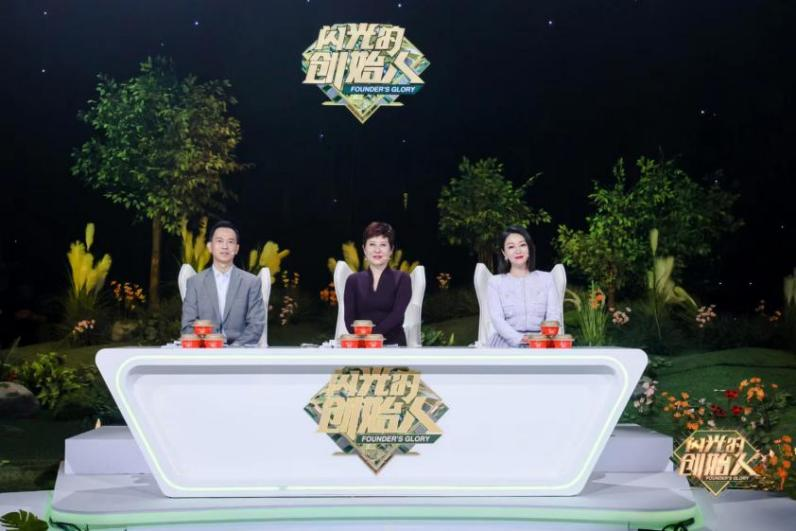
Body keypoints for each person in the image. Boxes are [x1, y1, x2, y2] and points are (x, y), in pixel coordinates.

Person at [181, 220, 265, 346]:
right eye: (219, 241)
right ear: (210, 247)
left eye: (230, 242)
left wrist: (234, 350)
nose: (225, 246)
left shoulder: (251, 282)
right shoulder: (195, 283)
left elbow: (256, 326)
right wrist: (209, 346)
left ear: (236, 248)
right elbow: (188, 326)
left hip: (240, 351)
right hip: (206, 352)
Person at [487, 226, 562, 347]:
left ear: (529, 249)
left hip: (541, 341)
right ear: (504, 253)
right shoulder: (495, 283)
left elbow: (553, 314)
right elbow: (497, 319)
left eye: (522, 245)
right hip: (506, 343)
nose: (518, 251)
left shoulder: (547, 279)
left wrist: (541, 338)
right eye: (511, 247)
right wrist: (520, 339)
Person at [344, 222, 412, 345]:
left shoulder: (402, 279)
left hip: (393, 345)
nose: (377, 250)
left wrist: (372, 337)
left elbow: (396, 315)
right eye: (372, 244)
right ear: (364, 249)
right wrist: (363, 340)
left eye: (383, 245)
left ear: (391, 250)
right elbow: (349, 320)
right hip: (362, 346)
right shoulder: (353, 280)